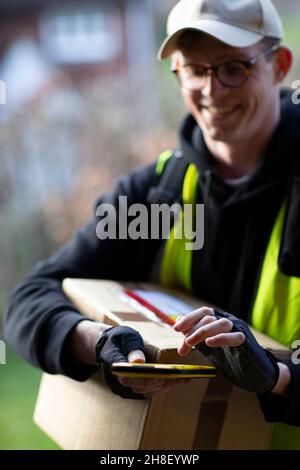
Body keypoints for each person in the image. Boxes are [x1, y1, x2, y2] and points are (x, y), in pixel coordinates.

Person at [3, 0, 300, 447]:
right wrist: (99, 344)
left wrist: (276, 376)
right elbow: (27, 300)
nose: (212, 90)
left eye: (233, 68)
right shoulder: (157, 193)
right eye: (194, 70)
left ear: (279, 66)